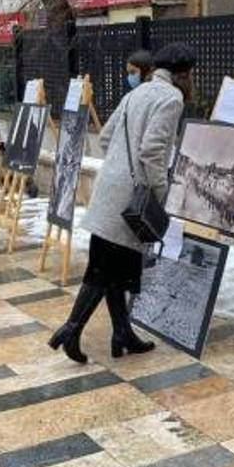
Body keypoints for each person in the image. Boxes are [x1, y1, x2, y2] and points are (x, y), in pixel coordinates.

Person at [48, 42, 193, 363]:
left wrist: (117, 167)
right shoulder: (171, 98)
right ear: (183, 73)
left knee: (112, 269)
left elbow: (105, 137)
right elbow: (152, 150)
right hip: (132, 199)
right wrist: (160, 190)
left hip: (109, 192)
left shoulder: (136, 93)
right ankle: (71, 330)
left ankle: (122, 334)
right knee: (103, 271)